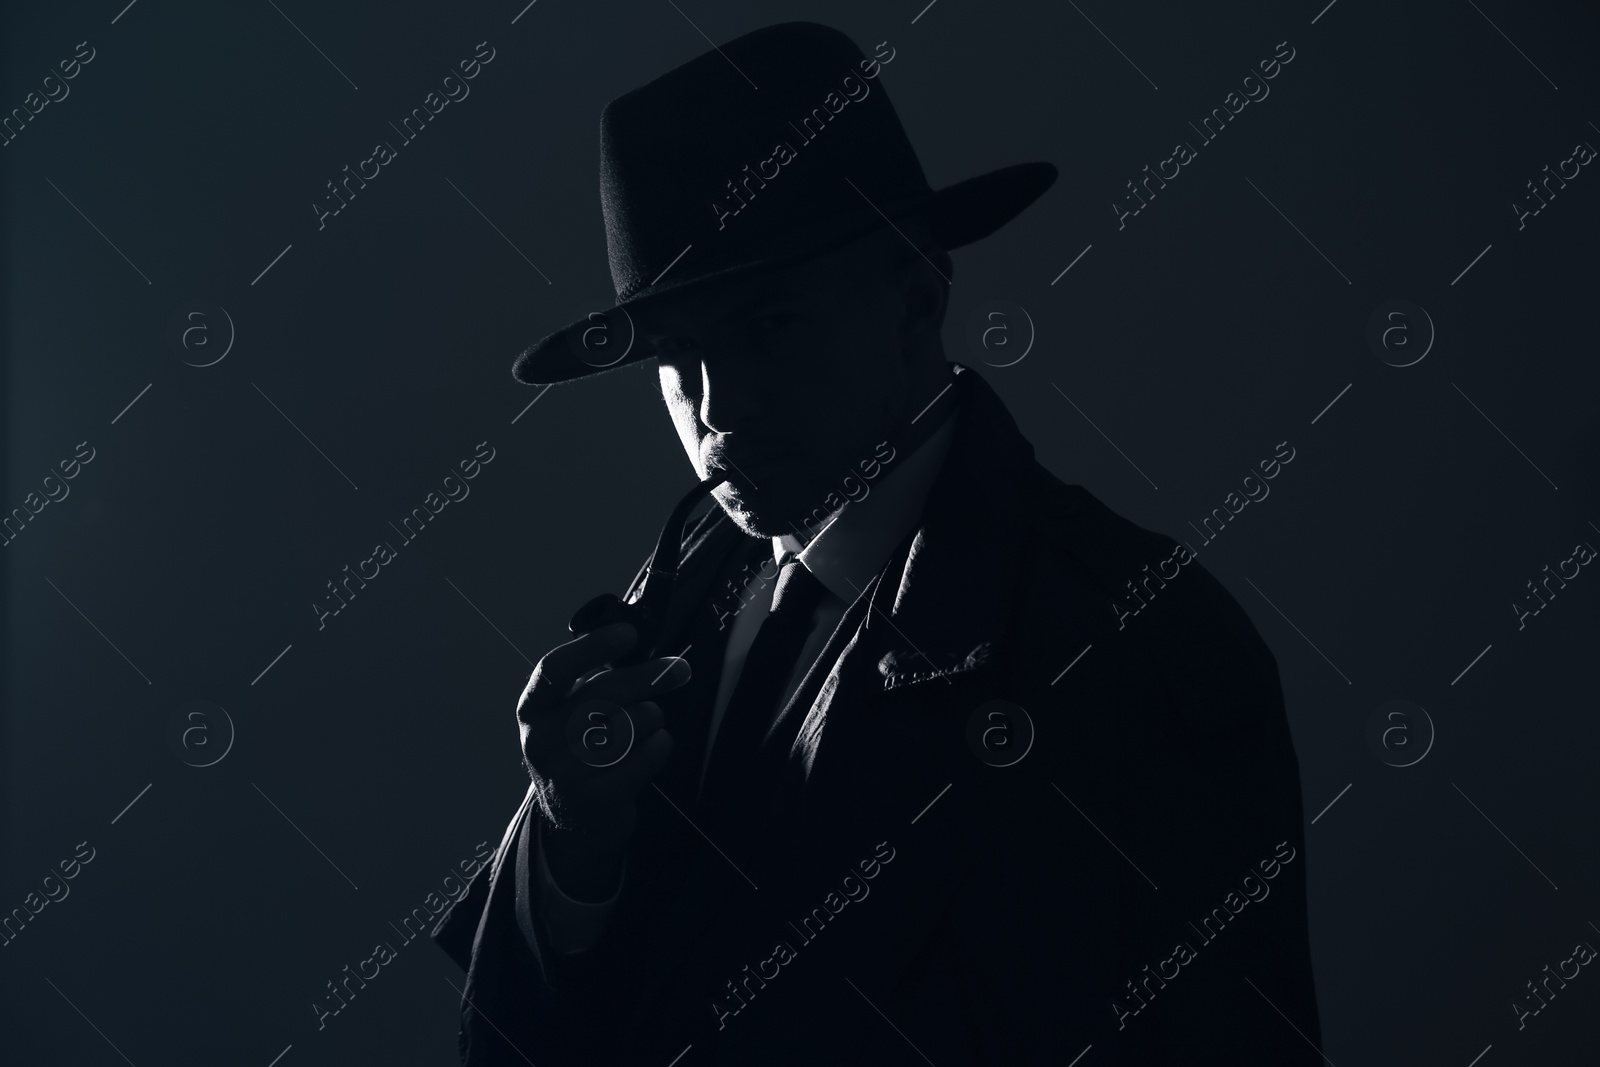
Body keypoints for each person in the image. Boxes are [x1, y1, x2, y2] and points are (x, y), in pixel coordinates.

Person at [434, 21, 1322, 1066]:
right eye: (677, 354)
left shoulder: (1126, 638)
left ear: (913, 301)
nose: (718, 408)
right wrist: (568, 854)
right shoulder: (675, 599)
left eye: (768, 328)